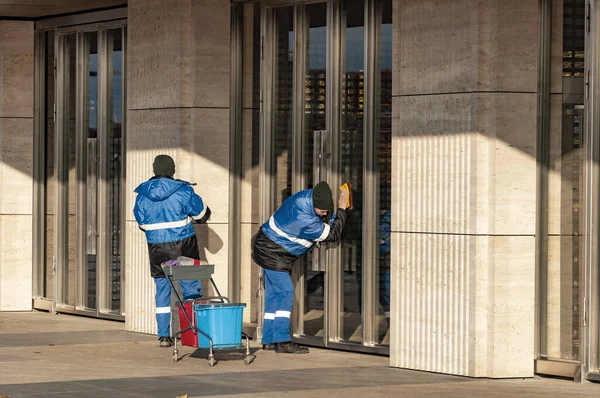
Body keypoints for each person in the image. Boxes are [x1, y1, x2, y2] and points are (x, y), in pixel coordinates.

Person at [252, 181, 350, 354]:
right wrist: (341, 209)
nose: (325, 214)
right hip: (273, 253)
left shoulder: (304, 197)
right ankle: (282, 341)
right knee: (286, 292)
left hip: (266, 246)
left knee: (274, 295)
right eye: (323, 211)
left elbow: (322, 223)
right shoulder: (305, 219)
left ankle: (268, 339)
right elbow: (332, 235)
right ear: (314, 206)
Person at [133, 154, 211, 347]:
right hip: (184, 246)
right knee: (190, 288)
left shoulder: (142, 195)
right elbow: (202, 214)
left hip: (157, 249)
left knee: (162, 289)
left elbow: (142, 224)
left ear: (154, 170)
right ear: (172, 170)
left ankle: (164, 336)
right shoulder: (183, 191)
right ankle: (193, 333)